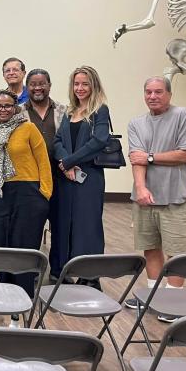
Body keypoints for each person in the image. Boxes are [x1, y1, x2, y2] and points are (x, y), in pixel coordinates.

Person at [125, 77, 186, 321]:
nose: (152, 96)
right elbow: (136, 159)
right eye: (148, 92)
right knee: (151, 248)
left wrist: (150, 157)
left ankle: (173, 301)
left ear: (168, 94)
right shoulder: (136, 123)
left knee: (177, 253)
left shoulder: (183, 116)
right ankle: (153, 297)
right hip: (145, 199)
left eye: (158, 92)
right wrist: (141, 188)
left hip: (176, 198)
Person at [0, 90, 52, 300]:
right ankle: (4, 291)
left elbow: (43, 161)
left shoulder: (28, 128)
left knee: (24, 243)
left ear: (15, 108)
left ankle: (23, 293)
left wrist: (45, 193)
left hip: (28, 192)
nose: (3, 110)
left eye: (8, 106)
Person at [53, 66, 110, 290]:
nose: (80, 88)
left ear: (93, 85)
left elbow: (99, 141)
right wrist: (65, 161)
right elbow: (57, 141)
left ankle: (91, 275)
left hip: (89, 178)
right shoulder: (69, 112)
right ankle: (68, 268)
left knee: (88, 224)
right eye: (76, 84)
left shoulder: (100, 110)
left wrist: (69, 161)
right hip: (67, 178)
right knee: (67, 223)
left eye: (85, 84)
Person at [21, 69, 67, 281]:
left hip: (61, 177)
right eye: (33, 84)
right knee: (31, 228)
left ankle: (59, 271)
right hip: (32, 180)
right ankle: (30, 271)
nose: (37, 88)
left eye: (42, 84)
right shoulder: (18, 112)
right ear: (27, 86)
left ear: (49, 85)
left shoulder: (64, 111)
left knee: (60, 226)